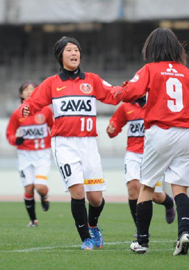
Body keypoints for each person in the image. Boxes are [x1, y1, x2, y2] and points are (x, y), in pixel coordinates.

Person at [20, 36, 123, 250]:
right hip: (64, 144)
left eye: (76, 50)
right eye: (69, 50)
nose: (74, 53)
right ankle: (86, 238)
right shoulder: (51, 83)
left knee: (96, 199)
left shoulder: (92, 80)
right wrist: (26, 109)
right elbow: (31, 103)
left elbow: (112, 95)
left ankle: (93, 226)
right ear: (61, 55)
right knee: (78, 193)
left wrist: (128, 90)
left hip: (89, 145)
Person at [112, 28, 189, 255]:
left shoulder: (150, 69)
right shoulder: (186, 72)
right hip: (185, 132)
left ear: (151, 48)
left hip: (160, 131)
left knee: (147, 186)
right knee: (180, 188)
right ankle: (183, 233)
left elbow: (131, 91)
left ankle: (142, 242)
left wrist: (118, 91)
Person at [106, 96, 175, 233]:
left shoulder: (157, 104)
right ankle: (141, 229)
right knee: (133, 188)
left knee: (155, 196)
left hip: (153, 153)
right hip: (133, 153)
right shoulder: (126, 107)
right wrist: (111, 129)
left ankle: (168, 202)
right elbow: (114, 126)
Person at [6, 81, 53, 227]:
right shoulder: (17, 114)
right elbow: (9, 133)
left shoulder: (46, 111)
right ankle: (33, 220)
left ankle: (44, 196)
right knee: (28, 188)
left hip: (42, 154)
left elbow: (55, 128)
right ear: (21, 94)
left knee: (39, 186)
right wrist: (16, 140)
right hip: (24, 155)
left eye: (33, 89)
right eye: (26, 89)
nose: (29, 91)